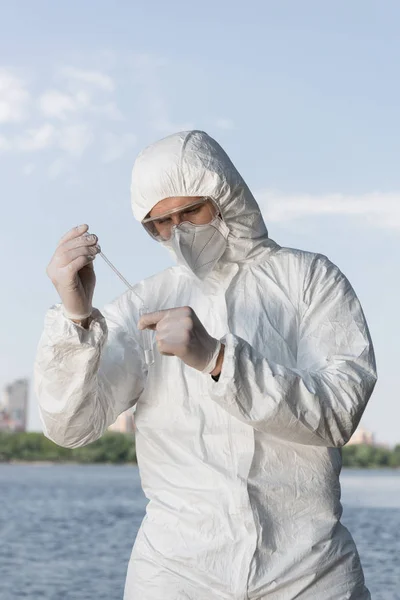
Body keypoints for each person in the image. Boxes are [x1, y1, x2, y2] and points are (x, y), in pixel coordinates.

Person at [35, 130, 377, 599]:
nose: (178, 231)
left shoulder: (310, 279)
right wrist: (75, 318)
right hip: (176, 573)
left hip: (310, 572)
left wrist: (220, 361)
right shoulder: (145, 304)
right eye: (160, 222)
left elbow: (338, 412)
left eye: (190, 211)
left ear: (225, 196)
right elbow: (70, 427)